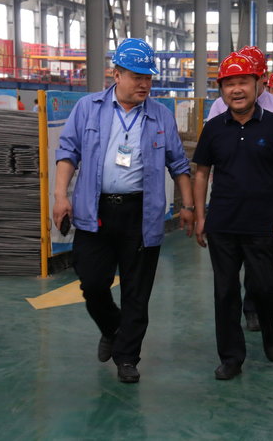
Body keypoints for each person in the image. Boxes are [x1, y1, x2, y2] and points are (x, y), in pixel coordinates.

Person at [53, 38, 194, 383]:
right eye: (136, 77)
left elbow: (179, 164)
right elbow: (68, 152)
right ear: (116, 75)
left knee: (137, 291)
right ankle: (111, 327)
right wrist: (60, 196)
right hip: (95, 211)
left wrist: (189, 206)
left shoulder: (160, 115)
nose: (144, 84)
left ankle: (127, 357)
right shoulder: (88, 108)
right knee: (92, 283)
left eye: (148, 77)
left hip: (141, 214)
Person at [192, 52, 273, 380]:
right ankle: (231, 357)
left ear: (257, 84)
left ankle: (269, 326)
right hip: (223, 222)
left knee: (265, 288)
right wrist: (200, 215)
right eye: (229, 84)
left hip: (263, 222)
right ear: (222, 89)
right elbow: (201, 173)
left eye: (243, 82)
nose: (236, 90)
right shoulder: (213, 128)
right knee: (225, 292)